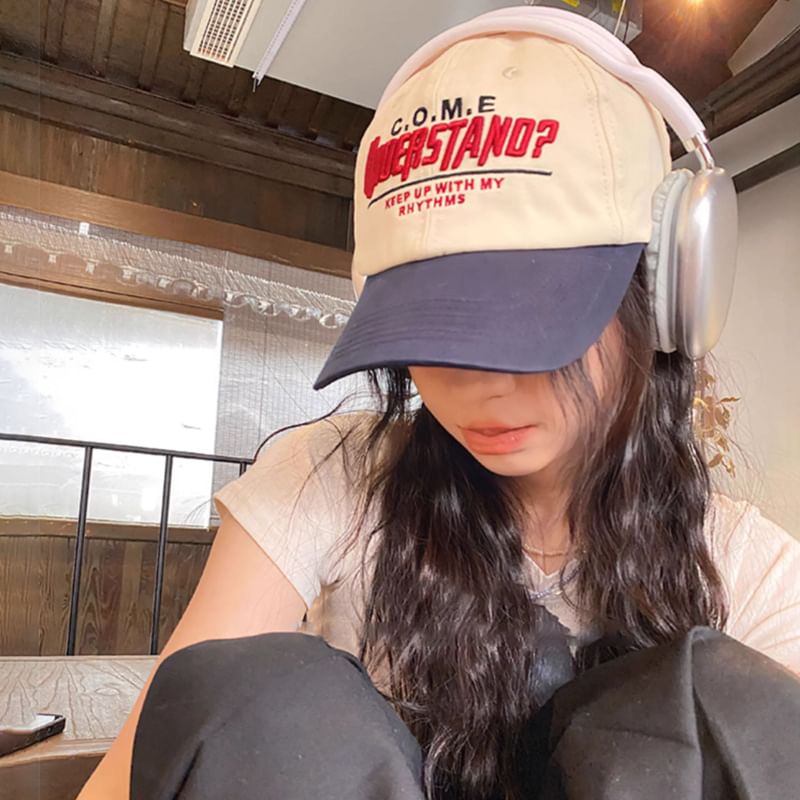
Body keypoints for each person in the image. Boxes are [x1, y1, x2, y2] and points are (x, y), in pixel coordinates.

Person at [77, 8, 800, 800]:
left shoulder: (750, 569)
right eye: (434, 328)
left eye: (531, 323)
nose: (476, 384)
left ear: (662, 293)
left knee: (723, 709)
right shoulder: (329, 481)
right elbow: (138, 770)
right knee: (260, 699)